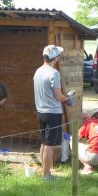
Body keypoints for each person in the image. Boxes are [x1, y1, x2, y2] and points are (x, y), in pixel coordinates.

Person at [33, 45, 74, 181]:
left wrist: (64, 97)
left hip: (41, 112)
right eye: (58, 56)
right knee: (49, 145)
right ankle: (46, 175)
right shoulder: (54, 73)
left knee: (44, 143)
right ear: (55, 58)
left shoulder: (38, 71)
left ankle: (43, 170)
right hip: (53, 113)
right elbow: (58, 96)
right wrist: (67, 99)